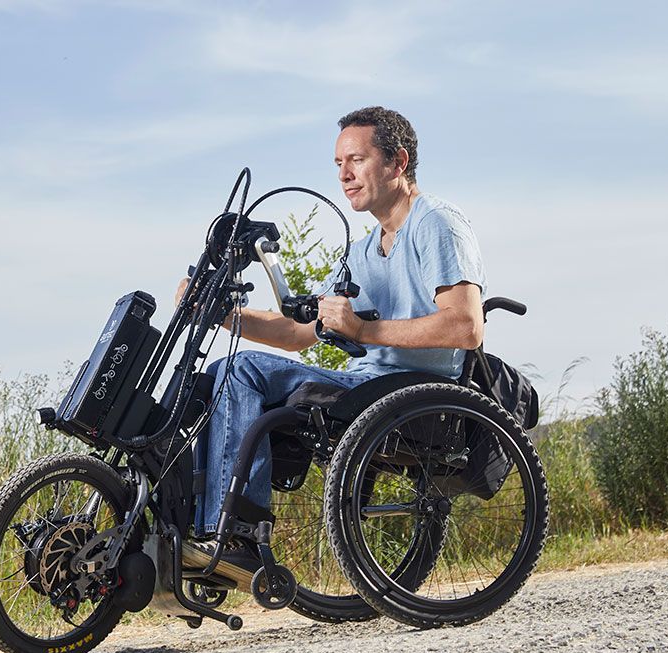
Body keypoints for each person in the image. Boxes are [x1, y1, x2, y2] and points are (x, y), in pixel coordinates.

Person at [179, 106, 486, 558]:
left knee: (241, 369)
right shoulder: (362, 251)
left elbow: (465, 326)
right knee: (218, 375)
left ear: (398, 162)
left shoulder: (434, 223)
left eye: (356, 160)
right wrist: (223, 314)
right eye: (338, 164)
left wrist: (363, 328)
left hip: (417, 392)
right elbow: (301, 332)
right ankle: (198, 532)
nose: (344, 175)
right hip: (371, 387)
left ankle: (235, 535)